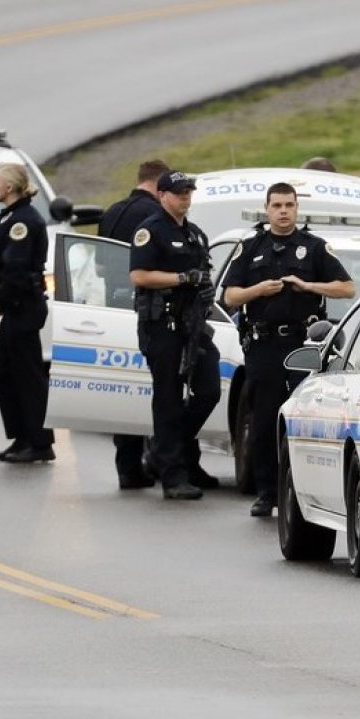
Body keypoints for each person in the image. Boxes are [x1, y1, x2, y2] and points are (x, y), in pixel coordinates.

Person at [222, 182, 354, 517]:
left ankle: (302, 491)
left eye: (289, 205)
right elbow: (230, 297)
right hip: (264, 345)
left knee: (303, 418)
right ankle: (268, 493)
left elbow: (347, 288)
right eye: (277, 205)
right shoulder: (251, 247)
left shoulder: (314, 248)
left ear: (297, 209)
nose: (283, 211)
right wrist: (258, 290)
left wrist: (309, 285)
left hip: (303, 345)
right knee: (264, 419)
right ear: (267, 209)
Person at [129, 170, 222, 500]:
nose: (185, 197)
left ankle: (168, 451)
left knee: (209, 389)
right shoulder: (150, 231)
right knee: (168, 398)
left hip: (193, 323)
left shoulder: (195, 234)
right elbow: (139, 275)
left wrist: (204, 286)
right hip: (162, 323)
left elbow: (203, 275)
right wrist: (183, 277)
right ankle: (172, 474)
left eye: (189, 192)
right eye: (179, 192)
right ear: (162, 195)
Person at [98, 159, 172, 490]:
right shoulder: (155, 217)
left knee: (123, 388)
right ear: (160, 186)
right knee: (157, 389)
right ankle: (160, 458)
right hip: (147, 310)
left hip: (112, 310)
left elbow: (100, 267)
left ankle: (127, 466)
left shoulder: (112, 211)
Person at [0, 164, 55, 464]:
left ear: (9, 187)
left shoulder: (22, 222)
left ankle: (38, 442)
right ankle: (23, 437)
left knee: (26, 376)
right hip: (14, 306)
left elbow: (15, 271)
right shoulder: (11, 217)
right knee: (4, 371)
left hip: (21, 308)